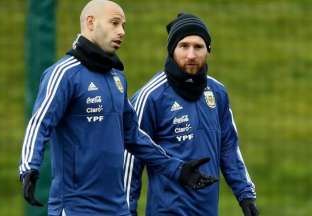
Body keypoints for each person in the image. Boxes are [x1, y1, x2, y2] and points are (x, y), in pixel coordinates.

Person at [18, 2, 218, 216]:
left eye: (123, 25)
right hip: (76, 207)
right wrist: (29, 167)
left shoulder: (116, 78)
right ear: (90, 22)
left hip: (116, 207)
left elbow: (133, 135)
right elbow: (40, 123)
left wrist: (178, 169)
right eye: (114, 23)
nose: (121, 31)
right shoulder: (63, 73)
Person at [124, 13, 259, 216]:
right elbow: (131, 159)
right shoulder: (150, 97)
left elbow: (229, 147)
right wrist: (126, 211)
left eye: (198, 47)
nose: (191, 55)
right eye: (184, 46)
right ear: (172, 50)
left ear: (209, 50)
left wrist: (245, 194)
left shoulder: (217, 92)